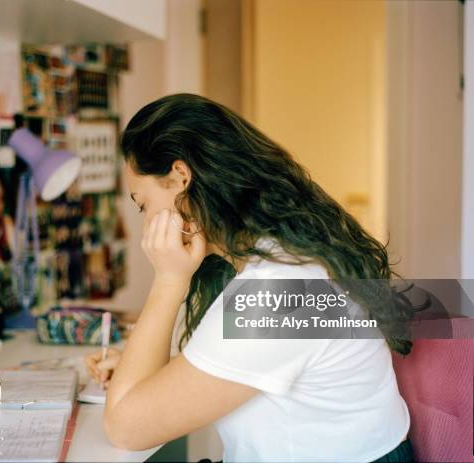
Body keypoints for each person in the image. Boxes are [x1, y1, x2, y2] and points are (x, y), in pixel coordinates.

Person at [85, 94, 414, 462]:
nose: (147, 222)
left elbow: (126, 429)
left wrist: (168, 279)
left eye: (143, 204)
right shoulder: (276, 256)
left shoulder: (280, 288)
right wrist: (149, 372)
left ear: (180, 176)